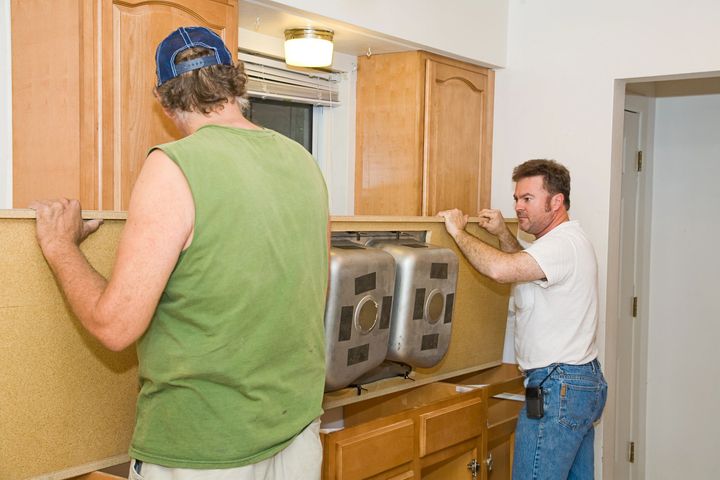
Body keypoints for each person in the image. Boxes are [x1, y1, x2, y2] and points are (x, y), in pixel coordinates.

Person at [30, 26, 329, 479]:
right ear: (237, 79)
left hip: (206, 449)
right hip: (298, 435)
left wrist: (58, 245)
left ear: (164, 100)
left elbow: (115, 326)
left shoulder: (173, 165)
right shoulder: (303, 160)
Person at [438, 159, 607, 479]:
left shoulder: (561, 245)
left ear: (556, 201)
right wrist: (503, 233)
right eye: (516, 198)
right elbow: (526, 267)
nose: (518, 206)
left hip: (555, 387)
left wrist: (457, 233)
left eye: (527, 199)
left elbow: (502, 270)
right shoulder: (560, 244)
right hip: (570, 383)